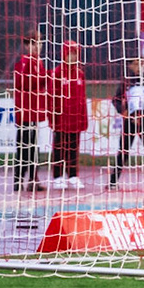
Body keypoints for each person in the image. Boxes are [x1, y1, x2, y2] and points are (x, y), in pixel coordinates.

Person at [109, 55, 144, 191]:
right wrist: (124, 112)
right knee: (123, 151)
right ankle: (113, 181)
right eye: (135, 64)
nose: (139, 67)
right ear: (130, 66)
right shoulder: (126, 82)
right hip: (129, 122)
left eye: (141, 64)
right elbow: (115, 99)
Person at [11, 31, 48, 193]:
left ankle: (33, 179)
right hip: (25, 112)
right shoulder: (25, 62)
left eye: (39, 43)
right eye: (33, 43)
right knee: (24, 147)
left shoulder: (38, 62)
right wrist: (44, 77)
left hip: (34, 111)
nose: (37, 47)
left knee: (33, 147)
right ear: (26, 46)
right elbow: (21, 83)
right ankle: (19, 180)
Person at [49, 40, 89, 188]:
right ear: (63, 54)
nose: (72, 57)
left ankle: (73, 176)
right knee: (59, 148)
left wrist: (83, 118)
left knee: (73, 147)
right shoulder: (57, 73)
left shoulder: (80, 74)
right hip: (61, 119)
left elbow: (82, 97)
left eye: (74, 54)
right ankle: (58, 177)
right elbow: (51, 97)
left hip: (75, 119)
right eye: (69, 53)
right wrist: (52, 117)